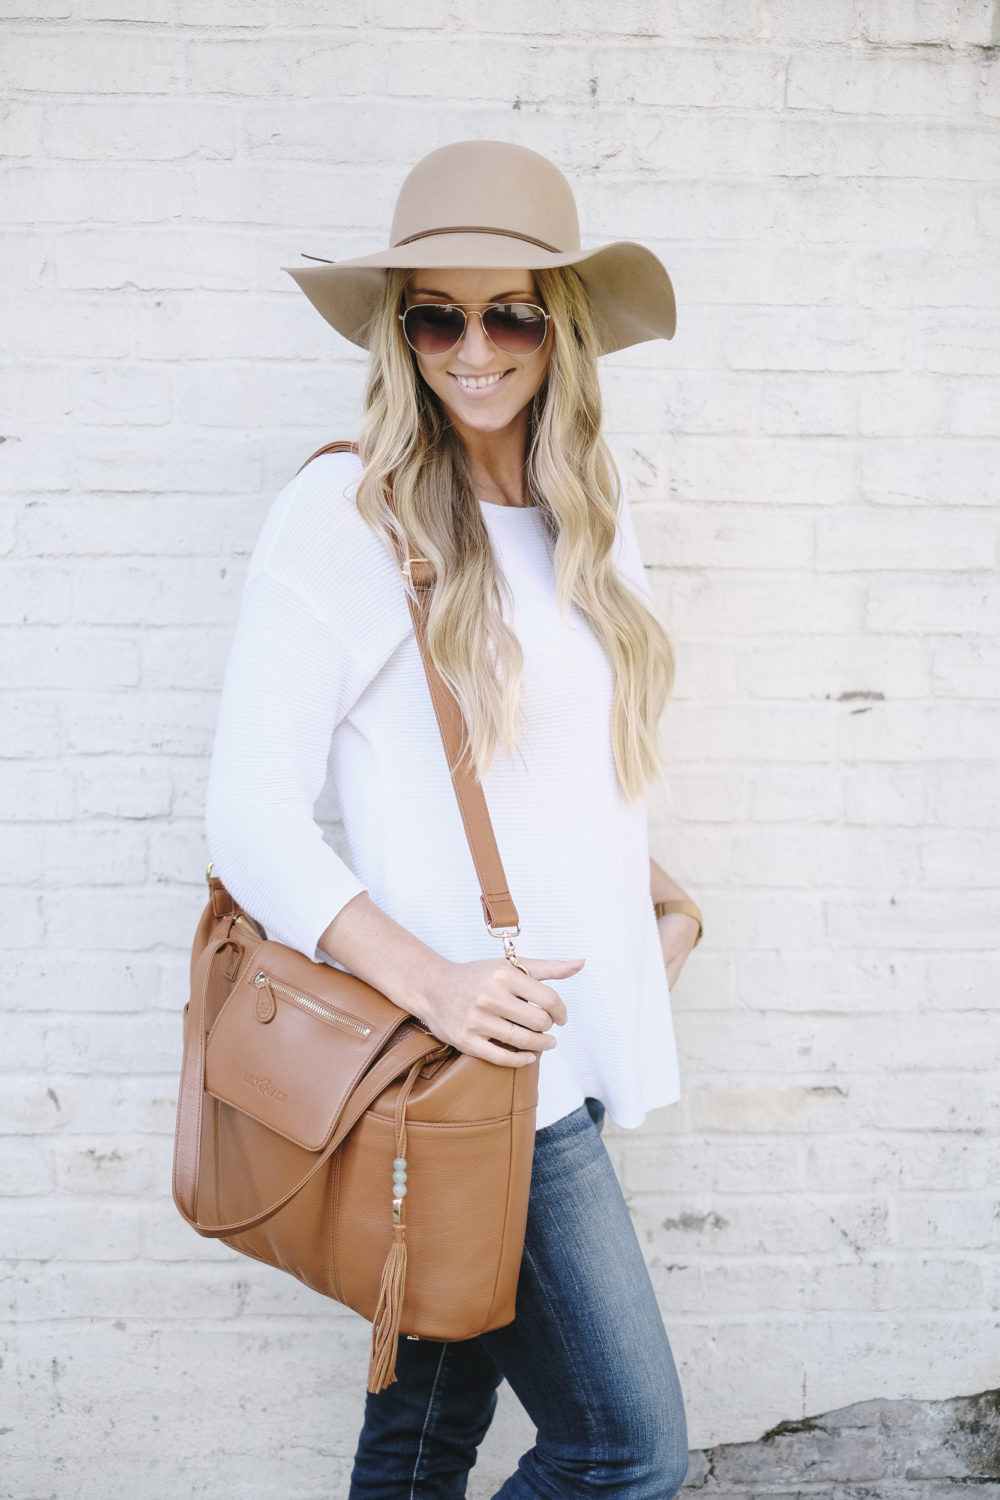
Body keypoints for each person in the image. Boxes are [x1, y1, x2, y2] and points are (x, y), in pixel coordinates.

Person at [205, 140, 703, 1500]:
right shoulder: (348, 514)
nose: (471, 349)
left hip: (555, 1049)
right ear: (401, 327)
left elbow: (546, 778)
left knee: (423, 1444)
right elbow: (248, 814)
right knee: (626, 1455)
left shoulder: (584, 521)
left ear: (562, 326)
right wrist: (435, 984)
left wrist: (657, 904)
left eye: (509, 314)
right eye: (436, 313)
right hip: (472, 1077)